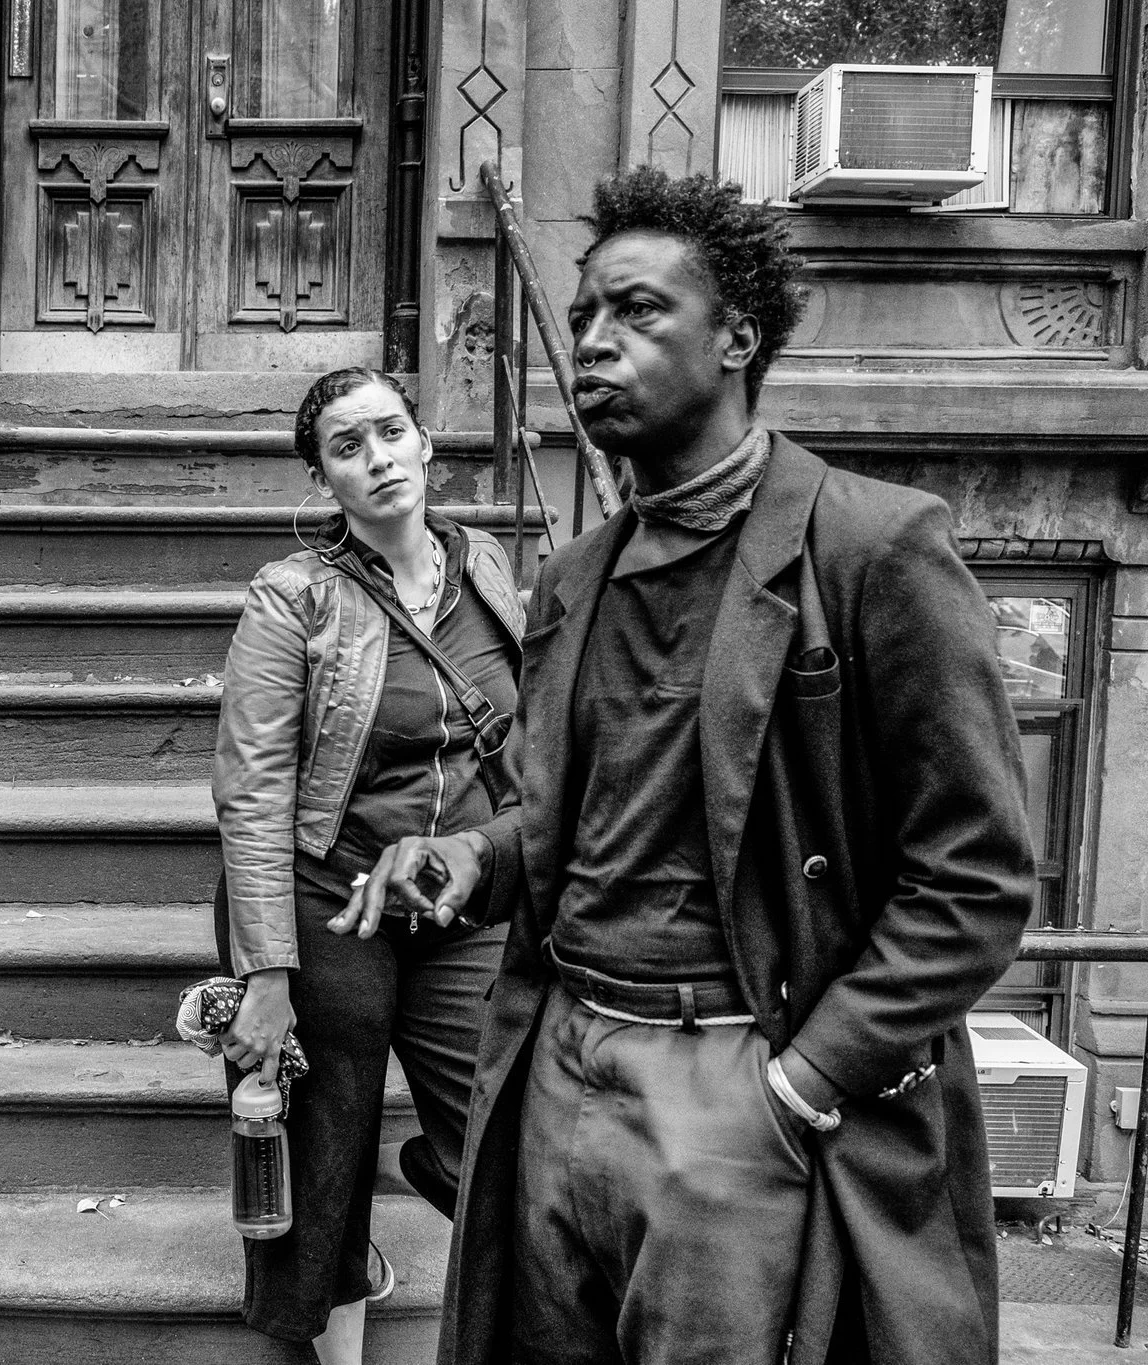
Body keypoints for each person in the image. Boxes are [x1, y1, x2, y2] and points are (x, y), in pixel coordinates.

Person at [351, 168, 1034, 1364]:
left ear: (735, 337)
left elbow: (972, 879)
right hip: (558, 1062)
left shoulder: (871, 548)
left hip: (735, 1085)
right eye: (581, 318)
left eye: (635, 311)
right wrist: (472, 857)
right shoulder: (574, 579)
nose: (590, 343)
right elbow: (581, 818)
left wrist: (799, 1085)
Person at [212, 367, 523, 1363]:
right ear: (322, 479)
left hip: (455, 897)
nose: (378, 458)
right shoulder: (292, 597)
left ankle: (434, 1184)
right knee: (324, 1138)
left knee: (508, 1125)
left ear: (424, 442)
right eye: (347, 447)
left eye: (390, 432)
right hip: (326, 893)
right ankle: (334, 1326)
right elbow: (252, 793)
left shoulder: (485, 567)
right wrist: (266, 974)